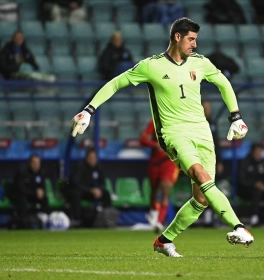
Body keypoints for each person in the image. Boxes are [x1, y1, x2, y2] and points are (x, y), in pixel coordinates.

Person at [71, 17, 253, 257]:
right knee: (200, 174)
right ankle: (239, 227)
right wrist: (88, 110)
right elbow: (116, 83)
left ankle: (164, 241)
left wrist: (236, 116)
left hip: (202, 133)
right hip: (173, 133)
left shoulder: (200, 62)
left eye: (196, 40)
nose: (195, 45)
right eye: (191, 39)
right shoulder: (151, 66)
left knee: (202, 199)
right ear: (177, 37)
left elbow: (223, 83)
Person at [139, 119, 180, 232]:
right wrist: (154, 144)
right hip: (155, 163)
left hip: (170, 162)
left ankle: (159, 222)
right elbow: (142, 139)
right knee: (154, 191)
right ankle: (154, 214)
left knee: (166, 190)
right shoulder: (154, 122)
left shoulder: (177, 122)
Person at [67, 148, 112, 226]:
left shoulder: (98, 167)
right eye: (91, 158)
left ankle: (107, 219)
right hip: (81, 191)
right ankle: (77, 220)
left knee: (106, 193)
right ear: (86, 158)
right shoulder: (80, 166)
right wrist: (90, 190)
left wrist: (99, 190)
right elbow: (75, 183)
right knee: (76, 193)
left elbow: (103, 183)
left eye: (94, 158)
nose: (93, 160)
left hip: (92, 192)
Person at [11, 155, 50, 225]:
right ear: (29, 163)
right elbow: (20, 189)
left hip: (33, 195)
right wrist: (34, 192)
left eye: (38, 163)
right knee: (23, 198)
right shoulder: (22, 171)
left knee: (44, 198)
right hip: (22, 195)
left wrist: (41, 191)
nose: (36, 165)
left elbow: (42, 186)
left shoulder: (41, 172)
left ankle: (46, 219)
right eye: (34, 163)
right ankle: (24, 221)